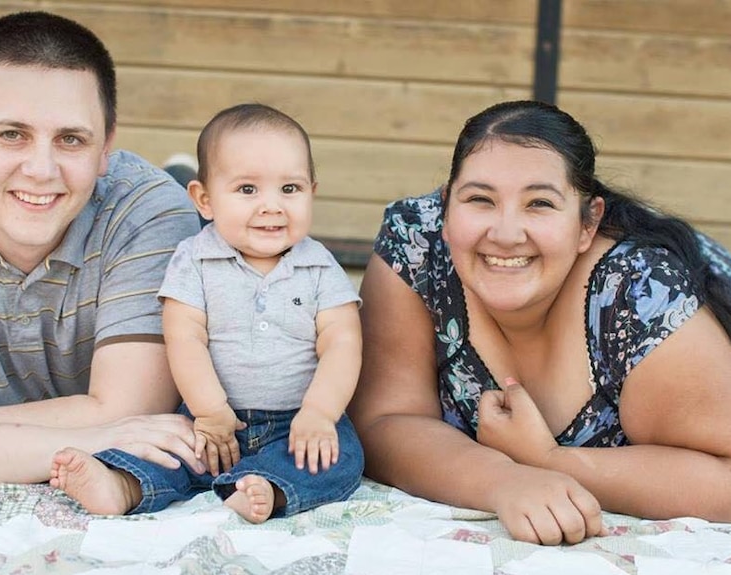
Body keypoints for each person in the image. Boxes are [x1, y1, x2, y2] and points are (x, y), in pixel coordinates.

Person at [348, 99, 731, 546]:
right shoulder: (417, 243)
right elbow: (384, 419)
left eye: (540, 203)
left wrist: (550, 460)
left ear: (587, 225)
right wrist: (502, 480)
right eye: (479, 199)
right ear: (446, 207)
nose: (506, 233)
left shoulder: (640, 294)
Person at [0, 11, 205, 486]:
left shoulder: (149, 210)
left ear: (106, 146)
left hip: (146, 217)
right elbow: (118, 429)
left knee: (196, 219)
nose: (41, 169)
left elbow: (133, 412)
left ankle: (176, 173)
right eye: (12, 134)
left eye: (71, 139)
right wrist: (92, 436)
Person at [50, 103, 365, 523]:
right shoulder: (194, 259)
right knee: (169, 449)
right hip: (210, 418)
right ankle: (120, 485)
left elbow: (342, 341)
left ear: (312, 192)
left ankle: (266, 489)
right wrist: (210, 410)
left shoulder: (320, 266)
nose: (272, 206)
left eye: (290, 189)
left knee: (341, 456)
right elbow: (185, 337)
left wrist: (321, 413)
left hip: (297, 421)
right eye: (248, 190)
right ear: (205, 199)